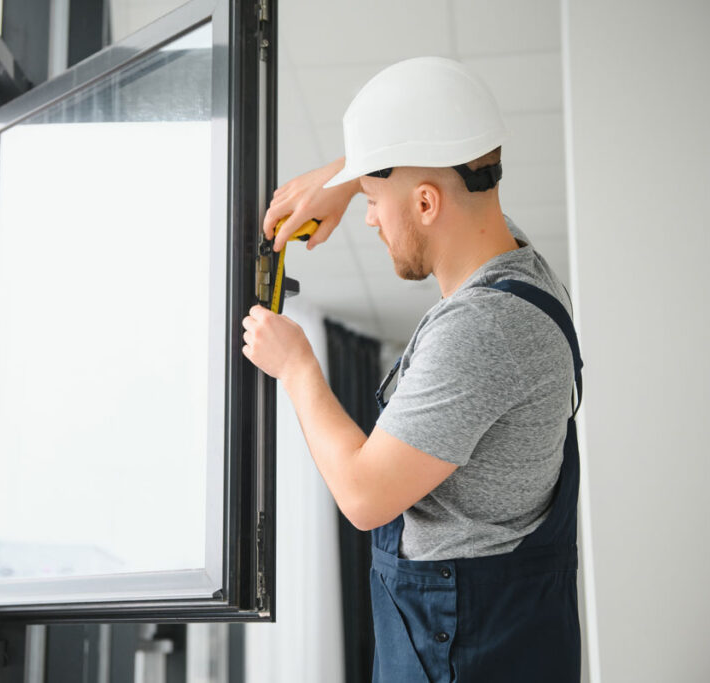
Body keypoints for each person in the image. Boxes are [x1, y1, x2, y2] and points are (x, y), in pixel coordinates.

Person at [241, 56, 582, 682]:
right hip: (483, 633)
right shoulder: (517, 263)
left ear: (425, 202)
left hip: (465, 653)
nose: (368, 217)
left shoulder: (482, 331)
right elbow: (452, 154)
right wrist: (348, 179)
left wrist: (296, 367)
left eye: (373, 200)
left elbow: (366, 496)